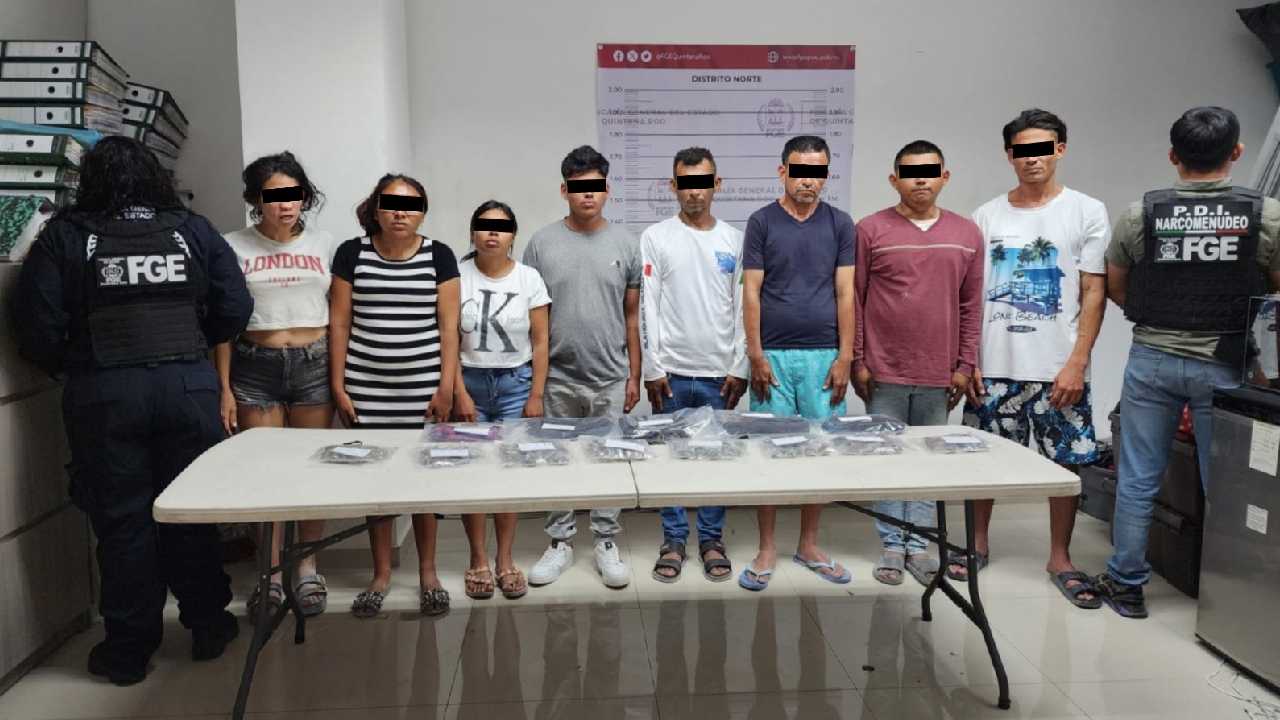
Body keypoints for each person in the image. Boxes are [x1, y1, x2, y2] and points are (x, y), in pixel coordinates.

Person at [12, 136, 251, 685]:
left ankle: (127, 650)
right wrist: (193, 344)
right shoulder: (192, 230)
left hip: (105, 392)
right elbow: (235, 307)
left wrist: (77, 364)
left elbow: (36, 325)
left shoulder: (67, 235)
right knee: (190, 512)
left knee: (123, 522)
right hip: (187, 386)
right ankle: (209, 626)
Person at [1097, 106, 1280, 618]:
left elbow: (1116, 286)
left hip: (1151, 359)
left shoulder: (1140, 214)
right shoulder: (1267, 216)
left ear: (1173, 156)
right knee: (1226, 484)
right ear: (1236, 152)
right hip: (1226, 365)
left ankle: (1126, 585)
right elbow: (1276, 295)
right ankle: (1228, 599)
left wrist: (1156, 318)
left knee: (1138, 478)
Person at [959, 109, 1108, 609]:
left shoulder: (1086, 211)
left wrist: (1077, 362)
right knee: (980, 463)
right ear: (1009, 156)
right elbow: (970, 294)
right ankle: (977, 544)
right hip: (994, 366)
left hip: (1057, 368)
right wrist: (969, 357)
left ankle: (1060, 557)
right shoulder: (986, 216)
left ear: (1060, 149)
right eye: (1023, 151)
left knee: (1066, 466)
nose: (1033, 159)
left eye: (1043, 148)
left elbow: (1093, 291)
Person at [852, 140, 983, 587]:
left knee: (929, 460)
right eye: (910, 173)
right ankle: (892, 545)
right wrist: (858, 360)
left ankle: (921, 546)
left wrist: (965, 364)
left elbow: (971, 305)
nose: (920, 180)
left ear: (945, 176)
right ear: (894, 180)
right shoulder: (870, 230)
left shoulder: (967, 234)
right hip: (883, 370)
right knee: (887, 459)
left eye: (929, 172)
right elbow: (854, 299)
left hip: (939, 372)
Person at [329, 174, 460, 617]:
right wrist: (338, 385)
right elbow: (340, 323)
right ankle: (381, 575)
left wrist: (446, 386)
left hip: (423, 390)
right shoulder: (352, 253)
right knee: (378, 484)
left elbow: (448, 328)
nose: (401, 212)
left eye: (412, 205)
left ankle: (428, 574)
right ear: (377, 208)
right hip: (366, 390)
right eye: (391, 203)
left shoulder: (439, 256)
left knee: (424, 482)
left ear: (422, 212)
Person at [216, 152, 339, 621]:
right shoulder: (232, 246)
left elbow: (340, 315)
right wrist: (224, 387)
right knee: (264, 473)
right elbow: (222, 322)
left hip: (312, 363)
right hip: (254, 365)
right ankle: (267, 576)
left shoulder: (324, 244)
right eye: (274, 197)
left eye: (294, 195)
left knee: (312, 469)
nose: (286, 205)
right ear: (255, 200)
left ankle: (307, 568)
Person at [739, 135, 855, 591]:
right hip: (773, 356)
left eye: (817, 172)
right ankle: (767, 547)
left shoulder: (840, 224)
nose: (808, 181)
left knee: (819, 452)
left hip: (824, 356)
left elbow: (845, 292)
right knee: (768, 453)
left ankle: (809, 544)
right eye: (800, 171)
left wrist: (845, 355)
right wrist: (755, 353)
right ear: (783, 171)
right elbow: (752, 291)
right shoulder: (762, 222)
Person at [522, 145, 641, 589]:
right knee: (558, 461)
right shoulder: (541, 244)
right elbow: (533, 319)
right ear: (564, 190)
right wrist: (535, 385)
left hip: (610, 376)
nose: (587, 194)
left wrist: (634, 374)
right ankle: (560, 542)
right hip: (558, 376)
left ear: (607, 189)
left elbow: (633, 316)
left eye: (595, 186)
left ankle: (606, 540)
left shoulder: (626, 244)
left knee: (608, 460)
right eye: (578, 187)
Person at [640, 147, 748, 583]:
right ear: (673, 186)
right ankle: (673, 540)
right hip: (670, 373)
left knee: (713, 461)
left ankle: (711, 540)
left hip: (719, 374)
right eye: (686, 183)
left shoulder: (735, 241)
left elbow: (743, 307)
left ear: (717, 185)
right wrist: (652, 368)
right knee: (670, 460)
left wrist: (740, 365)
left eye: (703, 183)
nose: (694, 192)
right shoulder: (656, 237)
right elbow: (648, 306)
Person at [451, 200, 549, 601]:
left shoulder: (529, 278)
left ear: (513, 235)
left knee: (509, 472)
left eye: (502, 227)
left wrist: (536, 394)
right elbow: (447, 340)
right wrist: (458, 391)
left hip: (515, 385)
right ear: (472, 232)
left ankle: (505, 559)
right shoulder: (456, 276)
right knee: (472, 474)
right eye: (484, 225)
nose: (493, 233)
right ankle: (477, 558)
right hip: (469, 384)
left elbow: (541, 341)